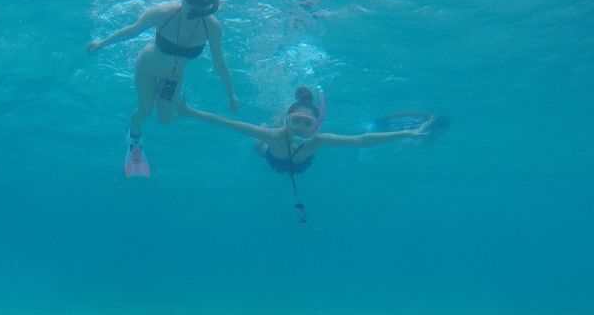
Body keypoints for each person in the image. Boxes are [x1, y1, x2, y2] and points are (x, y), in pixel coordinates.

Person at [179, 86, 437, 222]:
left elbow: (362, 140)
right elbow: (228, 123)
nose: (301, 128)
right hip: (272, 155)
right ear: (287, 121)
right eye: (295, 121)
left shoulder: (318, 141)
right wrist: (192, 112)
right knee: (259, 145)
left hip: (302, 164)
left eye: (307, 124)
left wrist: (406, 134)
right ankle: (261, 144)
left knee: (271, 147)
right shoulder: (275, 136)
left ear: (316, 126)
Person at [87, 0, 240, 178]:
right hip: (147, 68)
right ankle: (134, 140)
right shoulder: (163, 13)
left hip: (174, 78)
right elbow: (132, 30)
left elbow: (219, 62)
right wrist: (102, 43)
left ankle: (183, 108)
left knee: (166, 120)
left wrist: (231, 93)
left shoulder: (212, 27)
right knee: (145, 110)